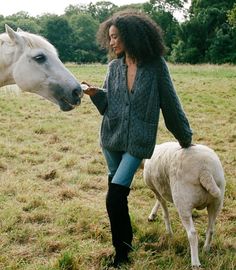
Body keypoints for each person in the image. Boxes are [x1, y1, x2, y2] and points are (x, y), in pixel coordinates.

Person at [83, 10, 193, 268]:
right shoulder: (113, 67)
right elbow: (109, 104)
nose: (111, 43)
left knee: (114, 197)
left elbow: (170, 104)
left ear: (131, 36)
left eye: (115, 37)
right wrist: (94, 93)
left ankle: (121, 255)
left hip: (137, 143)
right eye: (109, 37)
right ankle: (126, 242)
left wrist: (186, 139)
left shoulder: (155, 67)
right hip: (110, 138)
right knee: (118, 195)